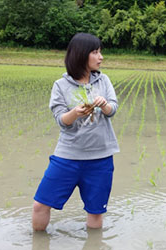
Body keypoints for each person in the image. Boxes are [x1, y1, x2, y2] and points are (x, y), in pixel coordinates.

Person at [32, 33, 119, 231]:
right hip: (67, 156)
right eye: (95, 52)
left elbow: (112, 109)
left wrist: (104, 105)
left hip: (101, 158)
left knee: (95, 211)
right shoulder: (60, 86)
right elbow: (61, 120)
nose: (101, 57)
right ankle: (38, 242)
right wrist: (75, 113)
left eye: (100, 52)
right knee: (40, 205)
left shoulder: (103, 81)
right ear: (81, 55)